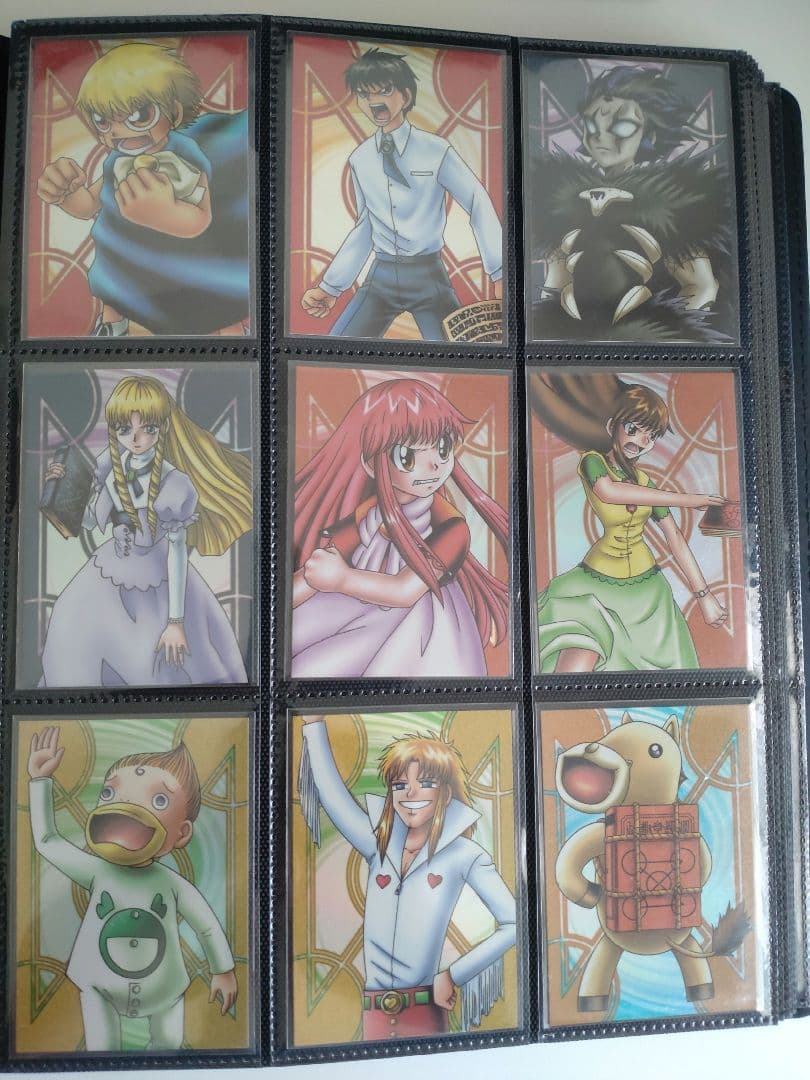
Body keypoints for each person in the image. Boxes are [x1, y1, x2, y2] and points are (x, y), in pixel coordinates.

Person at [298, 717, 516, 1038]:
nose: (410, 793)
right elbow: (332, 796)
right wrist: (314, 725)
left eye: (424, 782)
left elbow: (515, 923)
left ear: (445, 792)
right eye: (399, 785)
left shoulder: (465, 854)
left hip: (426, 1010)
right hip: (373, 1013)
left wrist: (453, 975)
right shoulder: (377, 844)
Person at [27, 728, 238, 1051]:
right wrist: (40, 781)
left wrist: (223, 970)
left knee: (168, 1046)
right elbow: (47, 841)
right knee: (102, 1052)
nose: (124, 805)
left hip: (165, 990)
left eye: (158, 800)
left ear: (182, 833)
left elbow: (207, 926)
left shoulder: (173, 885)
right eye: (109, 793)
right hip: (99, 986)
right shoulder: (97, 871)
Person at [40, 375, 252, 686]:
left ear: (162, 427)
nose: (136, 439)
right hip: (108, 571)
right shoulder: (110, 464)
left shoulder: (176, 485)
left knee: (153, 660)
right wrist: (59, 488)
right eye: (125, 429)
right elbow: (90, 521)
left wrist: (176, 622)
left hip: (160, 581)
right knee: (70, 619)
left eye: (148, 428)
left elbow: (177, 553)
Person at [291, 378, 509, 677]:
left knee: (320, 670)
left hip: (419, 630)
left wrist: (341, 579)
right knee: (301, 662)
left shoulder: (451, 527)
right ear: (370, 463)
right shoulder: (369, 514)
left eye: (443, 448)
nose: (434, 466)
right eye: (407, 456)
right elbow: (317, 570)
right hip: (363, 609)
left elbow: (406, 591)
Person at [36, 42, 249, 336]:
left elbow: (201, 217)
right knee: (113, 291)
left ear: (174, 113)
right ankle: (112, 326)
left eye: (138, 116)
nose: (117, 131)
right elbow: (89, 206)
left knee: (215, 307)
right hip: (123, 263)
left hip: (180, 266)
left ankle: (235, 342)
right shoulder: (115, 160)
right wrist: (67, 194)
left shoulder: (184, 156)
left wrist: (164, 214)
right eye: (102, 121)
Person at [300, 48, 503, 340]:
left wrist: (499, 272)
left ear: (405, 96)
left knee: (459, 356)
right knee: (336, 350)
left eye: (384, 91)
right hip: (380, 277)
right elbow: (365, 226)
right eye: (364, 94)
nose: (374, 101)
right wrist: (331, 287)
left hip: (428, 276)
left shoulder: (436, 150)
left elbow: (477, 200)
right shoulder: (361, 158)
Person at [533, 375, 729, 671]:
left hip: (649, 595)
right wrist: (691, 500)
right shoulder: (593, 462)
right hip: (595, 586)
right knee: (577, 658)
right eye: (633, 429)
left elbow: (675, 537)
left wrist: (704, 596)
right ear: (612, 426)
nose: (639, 442)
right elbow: (609, 492)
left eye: (650, 437)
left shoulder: (646, 483)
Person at [529, 65, 733, 342]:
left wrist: (673, 344)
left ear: (650, 134)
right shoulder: (565, 197)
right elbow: (557, 280)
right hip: (575, 342)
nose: (600, 136)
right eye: (591, 126)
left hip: (644, 341)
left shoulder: (669, 201)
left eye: (621, 126)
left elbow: (701, 285)